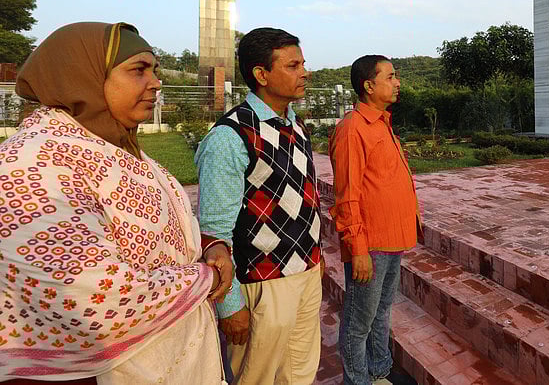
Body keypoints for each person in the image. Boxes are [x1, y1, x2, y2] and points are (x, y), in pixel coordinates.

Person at [0, 22, 234, 384]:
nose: (155, 82)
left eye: (154, 71)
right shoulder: (31, 163)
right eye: (138, 70)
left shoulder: (119, 150)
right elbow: (96, 300)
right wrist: (209, 275)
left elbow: (156, 228)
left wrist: (209, 244)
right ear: (82, 76)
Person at [195, 27, 322, 385]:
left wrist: (315, 256)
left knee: (299, 373)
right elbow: (213, 233)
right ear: (261, 74)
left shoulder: (296, 125)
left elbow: (302, 198)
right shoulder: (230, 136)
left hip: (305, 274)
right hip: (262, 283)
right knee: (257, 376)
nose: (304, 73)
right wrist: (229, 303)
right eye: (293, 65)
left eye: (303, 63)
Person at [329, 55, 421, 385]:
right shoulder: (353, 129)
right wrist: (358, 249)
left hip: (391, 239)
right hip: (370, 245)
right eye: (391, 76)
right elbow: (347, 196)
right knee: (358, 323)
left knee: (381, 311)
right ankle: (358, 380)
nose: (397, 82)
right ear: (369, 85)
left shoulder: (381, 122)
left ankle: (379, 370)